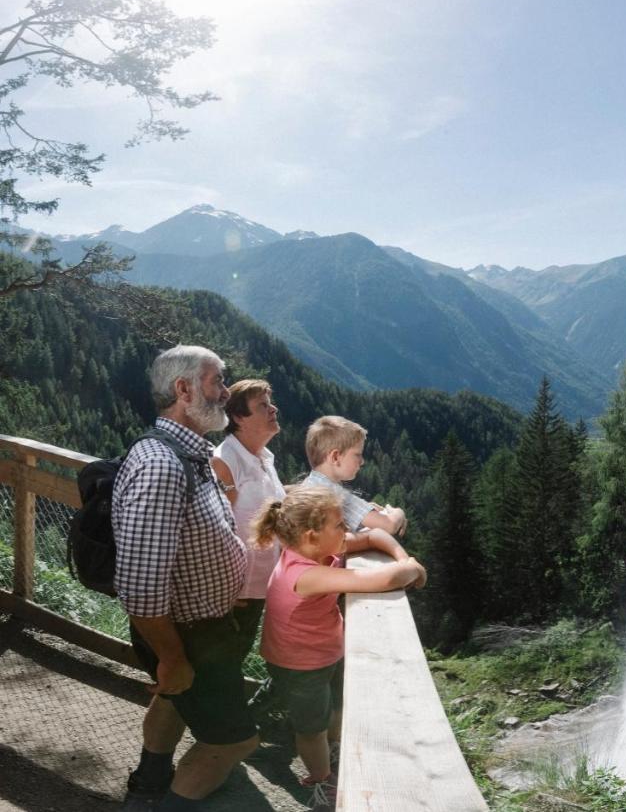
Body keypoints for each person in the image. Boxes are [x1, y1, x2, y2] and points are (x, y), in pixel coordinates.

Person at [114, 346, 256, 811]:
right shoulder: (162, 464)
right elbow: (139, 585)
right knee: (234, 741)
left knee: (173, 702)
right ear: (183, 389)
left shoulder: (189, 453)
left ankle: (148, 786)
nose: (226, 391)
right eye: (218, 381)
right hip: (185, 634)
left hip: (198, 628)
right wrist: (172, 656)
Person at [252, 485, 425, 807]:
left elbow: (374, 536)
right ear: (311, 535)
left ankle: (329, 748)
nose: (347, 530)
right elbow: (382, 580)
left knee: (335, 704)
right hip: (299, 664)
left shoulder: (316, 550)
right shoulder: (305, 573)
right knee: (310, 728)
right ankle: (323, 782)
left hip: (324, 651)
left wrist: (404, 557)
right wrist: (413, 569)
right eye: (339, 525)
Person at [211, 379, 285, 664]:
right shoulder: (224, 462)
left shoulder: (263, 457)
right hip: (233, 595)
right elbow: (212, 530)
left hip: (254, 589)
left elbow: (270, 500)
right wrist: (221, 593)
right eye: (263, 405)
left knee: (220, 667)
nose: (273, 409)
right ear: (239, 417)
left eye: (270, 402)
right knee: (214, 670)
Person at [301, 415, 407, 537]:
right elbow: (389, 525)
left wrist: (365, 510)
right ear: (335, 457)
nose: (362, 461)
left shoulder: (310, 484)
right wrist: (398, 512)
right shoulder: (335, 496)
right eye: (357, 455)